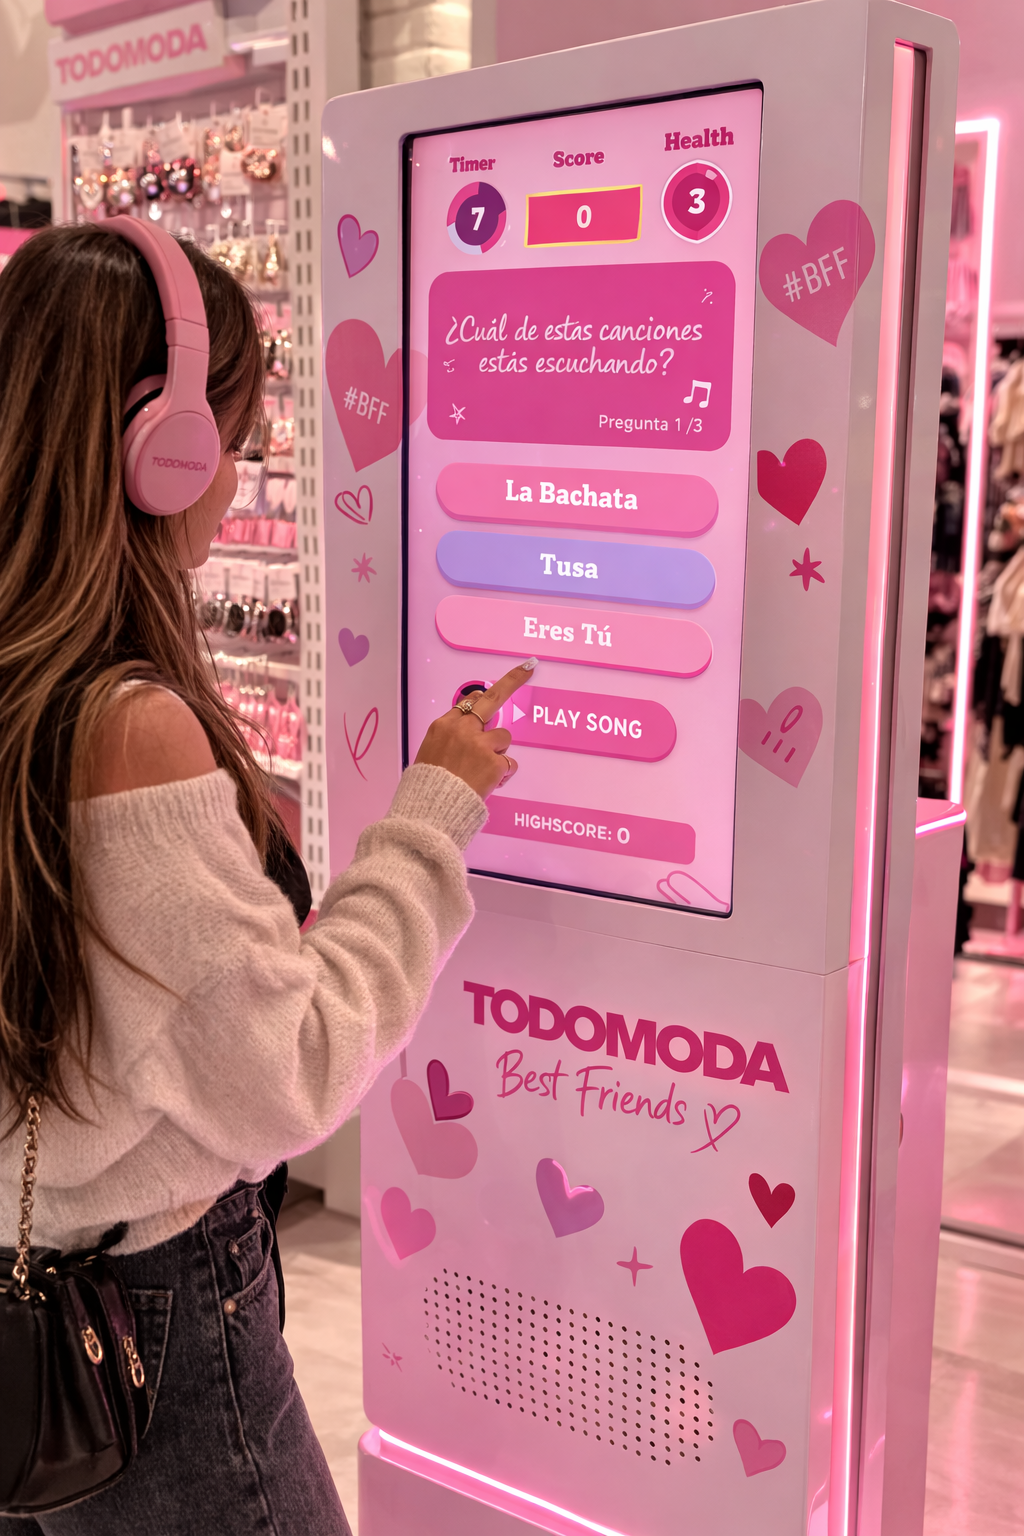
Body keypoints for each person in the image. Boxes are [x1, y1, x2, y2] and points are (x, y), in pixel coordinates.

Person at [0, 221, 532, 1534]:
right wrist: (429, 817)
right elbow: (290, 1070)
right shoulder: (123, 729)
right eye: (232, 440)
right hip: (147, 1324)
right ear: (161, 448)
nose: (235, 477)